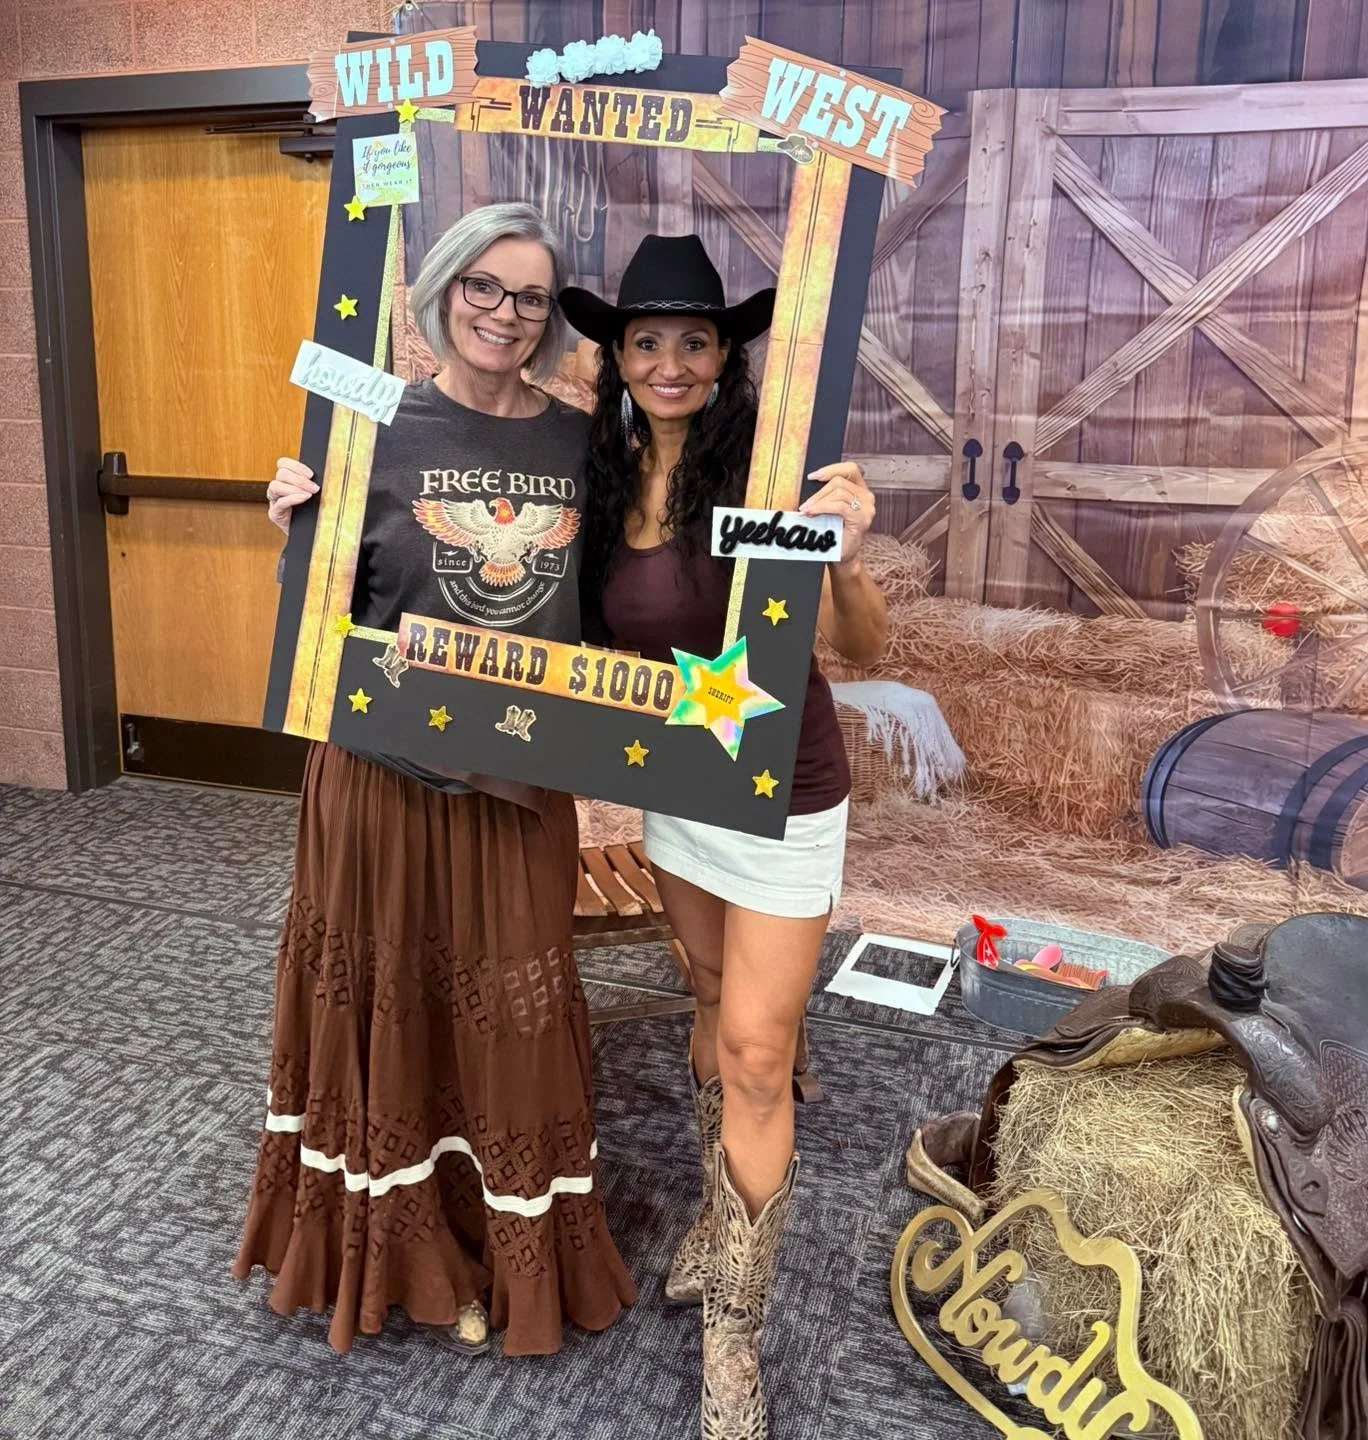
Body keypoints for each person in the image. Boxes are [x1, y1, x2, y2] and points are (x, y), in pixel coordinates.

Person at [236, 202, 637, 1358]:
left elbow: (618, 603)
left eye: (529, 297)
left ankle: (506, 1255)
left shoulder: (579, 443)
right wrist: (291, 531)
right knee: (388, 1004)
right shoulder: (369, 424)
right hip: (379, 774)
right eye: (483, 287)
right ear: (444, 289)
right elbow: (322, 614)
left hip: (515, 787)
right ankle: (400, 1253)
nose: (504, 314)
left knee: (508, 1011)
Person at [560, 235, 887, 1439]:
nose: (671, 361)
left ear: (725, 354)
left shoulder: (774, 472)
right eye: (647, 341)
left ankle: (736, 1332)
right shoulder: (597, 480)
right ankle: (715, 1217)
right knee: (705, 996)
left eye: (694, 340)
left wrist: (845, 551)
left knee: (758, 1049)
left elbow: (863, 652)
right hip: (678, 788)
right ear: (619, 356)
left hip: (787, 789)